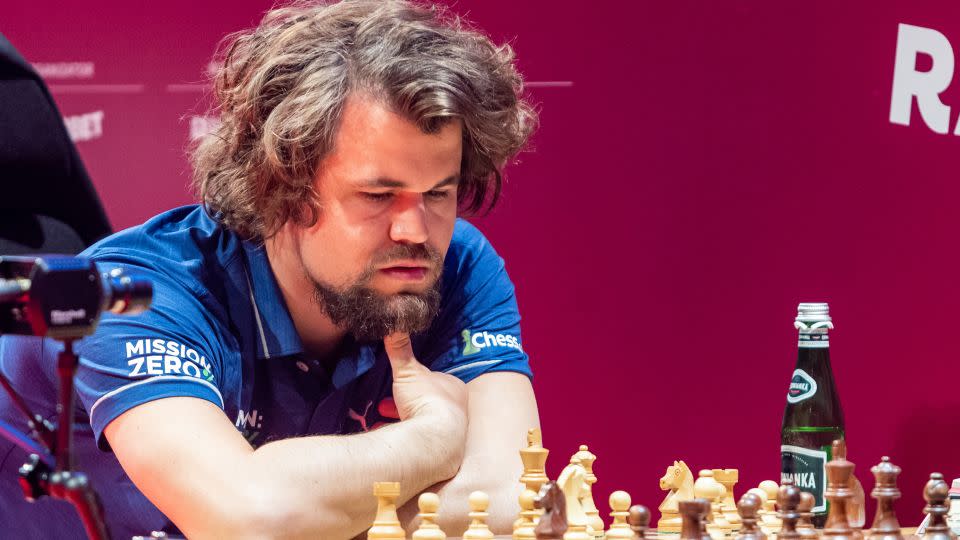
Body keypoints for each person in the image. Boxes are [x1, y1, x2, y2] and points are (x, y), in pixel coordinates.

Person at [0, 1, 539, 538]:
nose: (416, 231)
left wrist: (309, 509)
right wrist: (435, 440)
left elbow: (515, 499)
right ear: (281, 186)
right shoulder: (141, 294)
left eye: (438, 193)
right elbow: (248, 519)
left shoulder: (458, 264)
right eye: (378, 195)